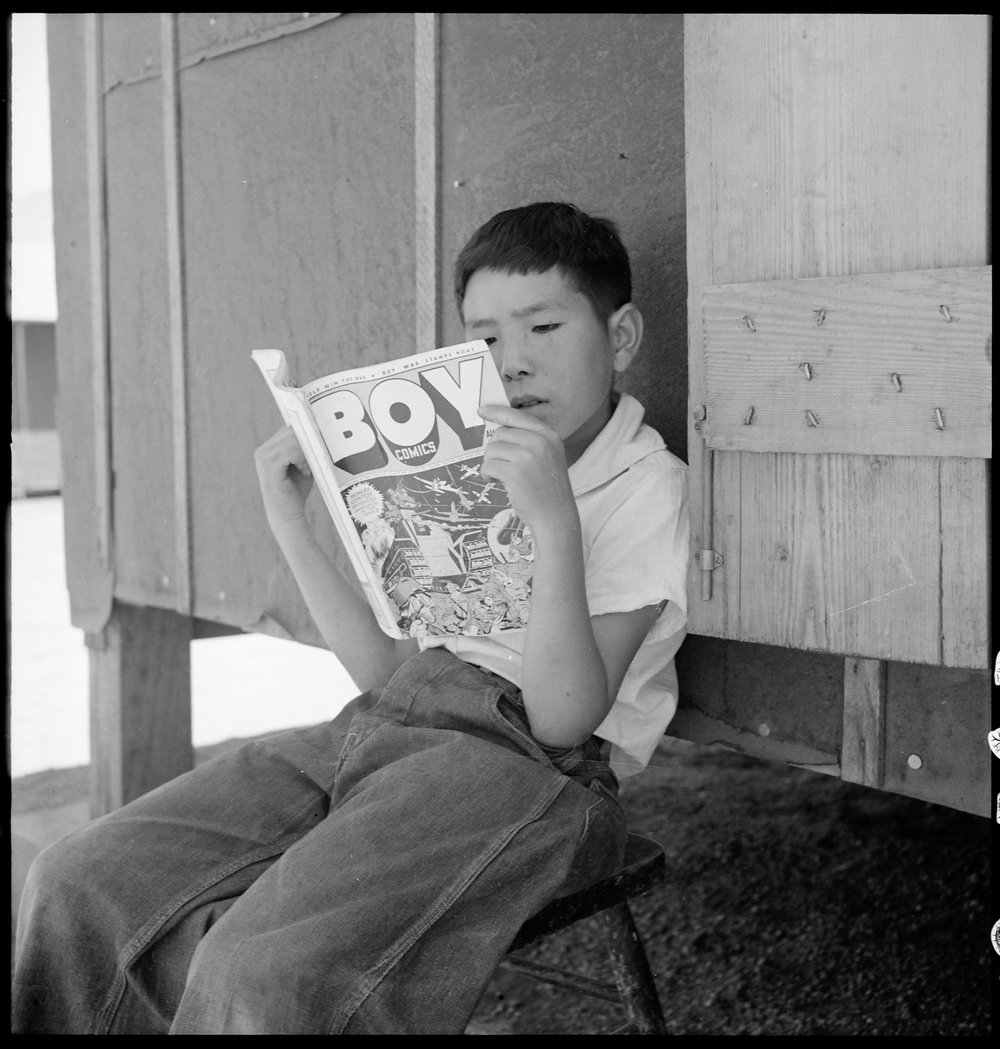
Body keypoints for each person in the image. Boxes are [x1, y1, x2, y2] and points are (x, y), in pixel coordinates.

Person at [12, 201, 689, 1034]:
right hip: (386, 726)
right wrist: (293, 521)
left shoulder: (647, 485)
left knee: (263, 968)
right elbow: (387, 677)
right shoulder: (462, 463)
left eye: (544, 326)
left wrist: (553, 523)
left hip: (528, 769)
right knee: (79, 876)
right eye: (482, 340)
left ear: (620, 337)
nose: (512, 363)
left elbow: (559, 719)